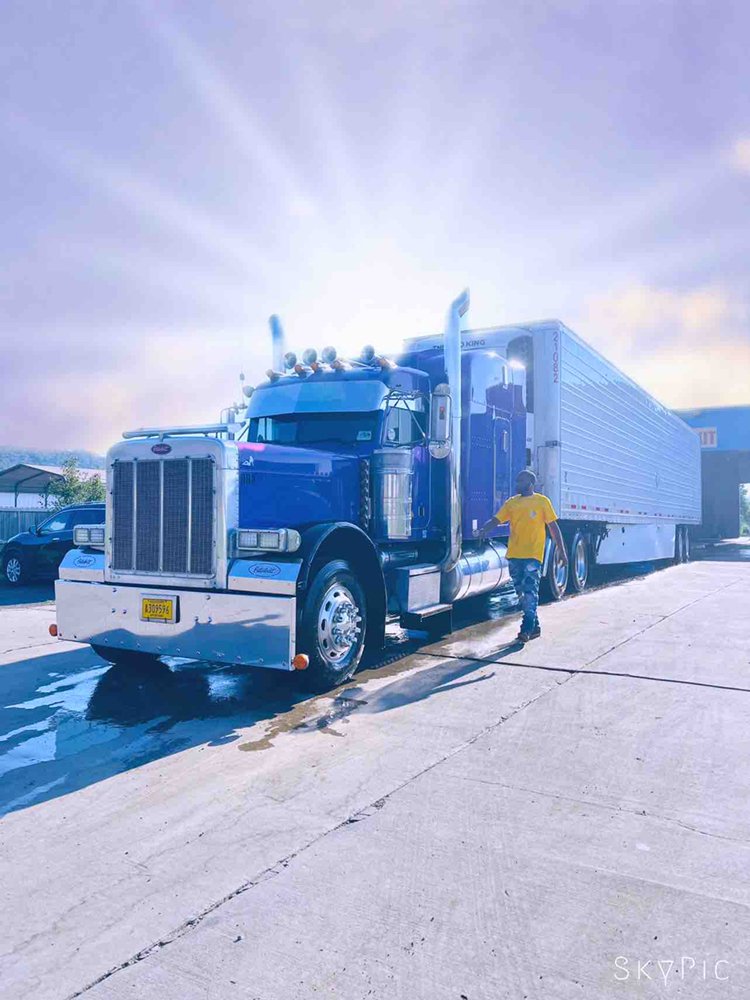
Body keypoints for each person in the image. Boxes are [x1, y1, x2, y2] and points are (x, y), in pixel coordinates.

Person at [478, 469, 568, 642]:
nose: (517, 484)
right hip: (514, 555)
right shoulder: (512, 503)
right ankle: (535, 627)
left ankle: (526, 629)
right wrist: (485, 529)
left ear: (530, 484)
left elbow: (554, 528)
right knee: (521, 593)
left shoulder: (542, 502)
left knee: (530, 591)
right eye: (517, 481)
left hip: (533, 555)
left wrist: (562, 552)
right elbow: (497, 519)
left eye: (521, 481)